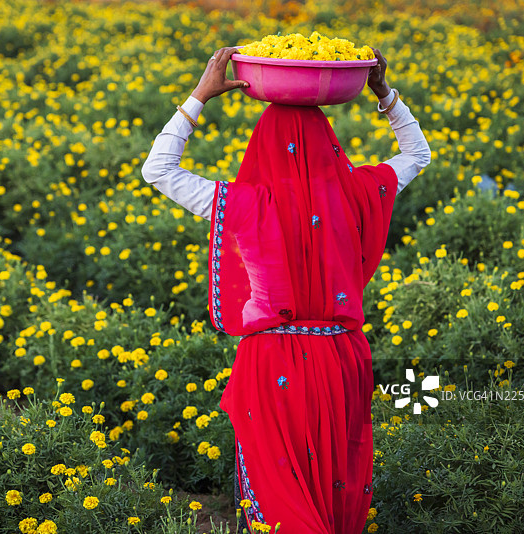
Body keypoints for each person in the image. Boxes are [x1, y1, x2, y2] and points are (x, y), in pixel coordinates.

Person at [142, 46, 430, 534]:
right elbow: (417, 155)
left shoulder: (246, 203)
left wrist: (197, 99)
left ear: (261, 147)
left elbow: (159, 170)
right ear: (331, 144)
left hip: (272, 361)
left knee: (282, 495)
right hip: (341, 359)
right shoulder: (359, 193)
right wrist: (384, 93)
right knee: (331, 481)